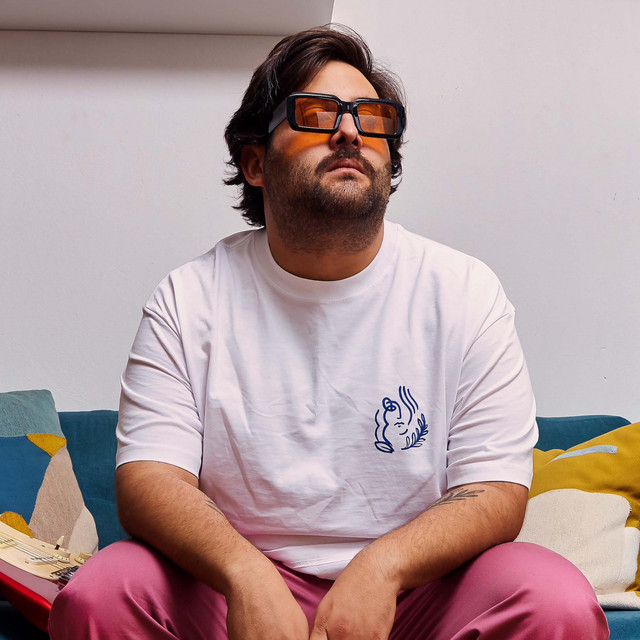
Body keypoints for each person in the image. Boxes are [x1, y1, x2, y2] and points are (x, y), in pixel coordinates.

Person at [49, 24, 609, 640]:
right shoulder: (188, 299)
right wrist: (244, 574)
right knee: (104, 592)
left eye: (372, 117)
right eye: (316, 113)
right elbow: (149, 478)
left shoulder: (465, 292)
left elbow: (495, 490)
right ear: (256, 163)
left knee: (551, 599)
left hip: (415, 592)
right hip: (231, 590)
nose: (350, 131)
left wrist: (383, 569)